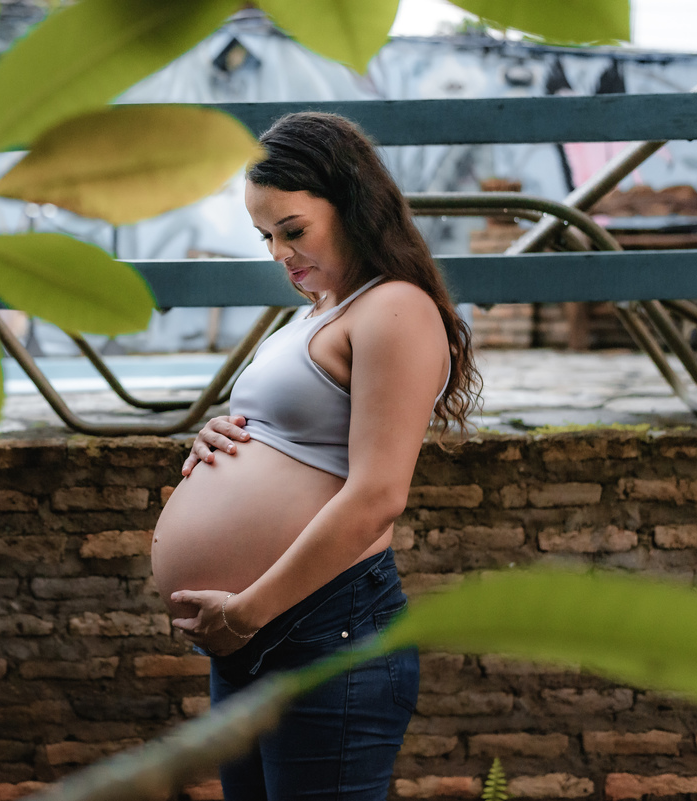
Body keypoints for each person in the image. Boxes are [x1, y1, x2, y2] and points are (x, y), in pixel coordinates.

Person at [149, 112, 480, 800]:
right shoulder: (315, 313)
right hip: (259, 629)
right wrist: (221, 439)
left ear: (353, 202)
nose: (278, 252)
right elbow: (296, 437)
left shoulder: (393, 307)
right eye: (265, 236)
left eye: (292, 230)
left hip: (323, 628)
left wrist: (245, 613)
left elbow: (378, 495)